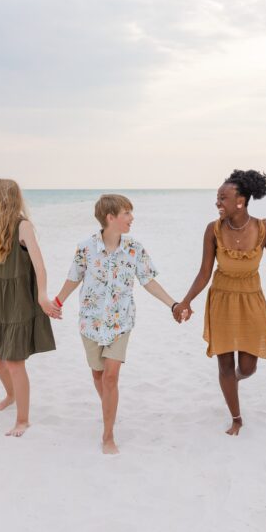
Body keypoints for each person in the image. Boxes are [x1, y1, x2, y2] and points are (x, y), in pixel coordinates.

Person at [174, 170, 266, 436]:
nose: (218, 202)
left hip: (252, 297)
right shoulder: (213, 229)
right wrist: (186, 301)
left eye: (223, 198)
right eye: (217, 197)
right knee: (224, 365)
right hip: (221, 297)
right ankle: (236, 417)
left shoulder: (265, 229)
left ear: (240, 201)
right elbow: (204, 272)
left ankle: (235, 380)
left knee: (247, 366)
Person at [53, 194, 185, 454]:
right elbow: (73, 278)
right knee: (98, 375)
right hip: (90, 322)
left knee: (111, 377)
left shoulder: (135, 248)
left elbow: (148, 281)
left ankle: (108, 435)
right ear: (110, 218)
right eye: (126, 213)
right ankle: (109, 408)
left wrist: (173, 304)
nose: (131, 218)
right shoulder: (85, 247)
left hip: (120, 323)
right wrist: (57, 302)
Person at [0, 179, 60, 436]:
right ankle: (10, 395)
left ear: (3, 197)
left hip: (18, 300)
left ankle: (23, 420)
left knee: (14, 361)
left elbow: (39, 265)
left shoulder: (23, 226)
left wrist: (42, 296)